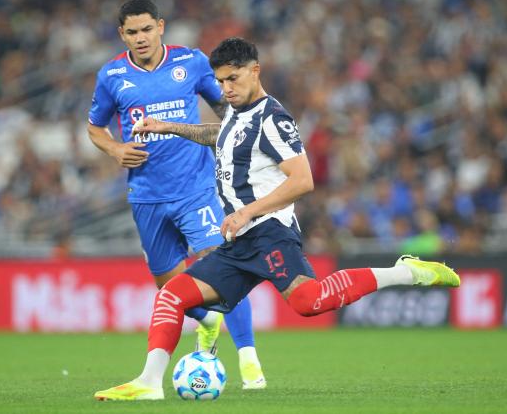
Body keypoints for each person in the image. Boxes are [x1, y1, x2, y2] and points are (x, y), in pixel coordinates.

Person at [93, 37, 461, 401]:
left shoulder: (274, 119)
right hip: (240, 242)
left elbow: (303, 180)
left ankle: (405, 271)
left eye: (232, 79)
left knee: (309, 302)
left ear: (255, 71)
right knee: (171, 296)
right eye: (220, 81)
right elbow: (223, 136)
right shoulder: (237, 112)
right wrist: (170, 127)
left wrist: (246, 212)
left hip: (270, 233)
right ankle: (149, 383)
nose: (225, 89)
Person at [86, 0, 266, 390]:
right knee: (172, 289)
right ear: (122, 35)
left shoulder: (192, 62)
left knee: (223, 267)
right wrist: (116, 149)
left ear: (161, 26)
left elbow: (227, 107)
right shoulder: (112, 75)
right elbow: (95, 128)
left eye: (147, 29)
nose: (141, 38)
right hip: (147, 197)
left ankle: (250, 361)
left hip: (196, 189)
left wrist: (237, 145)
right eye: (132, 32)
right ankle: (207, 319)